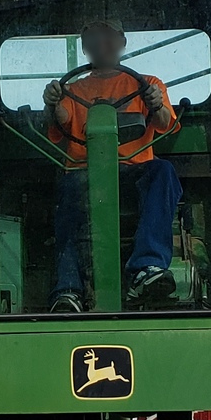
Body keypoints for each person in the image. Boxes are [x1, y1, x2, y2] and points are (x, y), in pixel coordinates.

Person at [44, 19, 182, 312]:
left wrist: (156, 104)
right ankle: (68, 289)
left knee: (163, 172)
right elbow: (61, 121)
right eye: (93, 38)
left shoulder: (148, 85)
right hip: (84, 173)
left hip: (135, 172)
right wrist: (52, 103)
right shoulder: (71, 90)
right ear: (85, 47)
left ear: (122, 42)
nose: (101, 44)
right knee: (67, 186)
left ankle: (147, 268)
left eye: (108, 37)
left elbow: (164, 124)